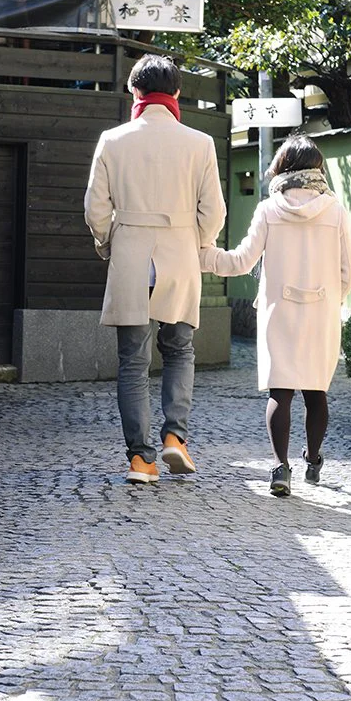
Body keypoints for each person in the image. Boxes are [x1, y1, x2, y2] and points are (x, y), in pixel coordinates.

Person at [85, 55, 227, 484]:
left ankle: (141, 460)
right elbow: (215, 211)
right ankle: (175, 438)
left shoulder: (112, 140)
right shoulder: (199, 143)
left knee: (132, 362)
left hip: (131, 253)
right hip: (180, 253)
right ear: (177, 94)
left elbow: (95, 208)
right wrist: (197, 243)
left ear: (134, 92)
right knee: (180, 350)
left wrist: (109, 243)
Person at [199, 136, 351, 497]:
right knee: (317, 392)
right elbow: (349, 270)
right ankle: (313, 460)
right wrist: (332, 299)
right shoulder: (335, 210)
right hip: (322, 311)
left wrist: (203, 256)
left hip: (278, 311)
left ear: (283, 167)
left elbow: (241, 261)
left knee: (280, 392)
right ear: (317, 168)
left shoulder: (269, 209)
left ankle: (280, 468)